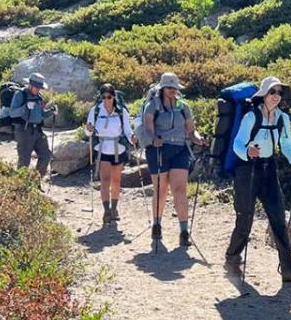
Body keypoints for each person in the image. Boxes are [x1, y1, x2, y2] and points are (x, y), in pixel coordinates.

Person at [224, 75, 291, 282]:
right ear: (263, 94)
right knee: (245, 217)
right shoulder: (251, 117)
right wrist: (248, 151)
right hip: (247, 170)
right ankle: (232, 257)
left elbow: (286, 146)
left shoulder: (283, 118)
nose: (276, 96)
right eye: (273, 92)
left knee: (278, 218)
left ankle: (288, 267)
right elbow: (238, 144)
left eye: (280, 92)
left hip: (269, 168)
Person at [141, 72, 206, 246]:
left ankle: (184, 231)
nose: (173, 91)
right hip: (158, 150)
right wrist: (153, 139)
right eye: (169, 87)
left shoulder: (183, 106)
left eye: (175, 88)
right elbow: (148, 128)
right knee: (161, 189)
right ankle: (157, 224)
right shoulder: (152, 106)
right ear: (162, 88)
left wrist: (198, 139)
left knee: (180, 189)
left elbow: (191, 130)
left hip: (180, 149)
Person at [86, 84, 134, 224]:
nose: (106, 100)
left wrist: (132, 138)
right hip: (102, 149)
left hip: (118, 149)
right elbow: (89, 133)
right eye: (104, 97)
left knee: (116, 180)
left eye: (109, 97)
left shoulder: (121, 112)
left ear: (114, 97)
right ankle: (107, 210)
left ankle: (114, 208)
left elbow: (127, 130)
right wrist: (88, 129)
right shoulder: (95, 111)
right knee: (105, 180)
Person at [9, 72, 54, 178]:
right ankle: (20, 186)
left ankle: (36, 182)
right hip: (23, 131)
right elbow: (12, 113)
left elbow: (41, 115)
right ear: (30, 85)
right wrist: (25, 107)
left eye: (40, 88)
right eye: (37, 87)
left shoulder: (39, 97)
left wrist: (51, 112)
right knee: (24, 161)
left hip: (38, 131)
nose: (38, 90)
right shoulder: (20, 94)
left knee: (46, 155)